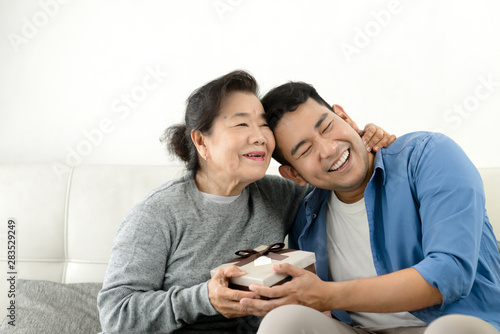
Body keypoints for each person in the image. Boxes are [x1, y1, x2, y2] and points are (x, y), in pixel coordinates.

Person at [97, 70, 395, 333]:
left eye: (263, 125)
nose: (260, 137)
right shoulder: (158, 213)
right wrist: (205, 298)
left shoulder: (281, 195)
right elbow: (115, 314)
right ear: (201, 142)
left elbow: (340, 179)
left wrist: (366, 143)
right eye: (241, 125)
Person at [238, 81, 500, 333]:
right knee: (285, 321)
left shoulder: (428, 156)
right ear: (294, 174)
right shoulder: (307, 218)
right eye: (305, 150)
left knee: (450, 329)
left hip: (459, 325)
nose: (328, 149)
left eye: (327, 127)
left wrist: (326, 295)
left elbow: (450, 273)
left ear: (345, 117)